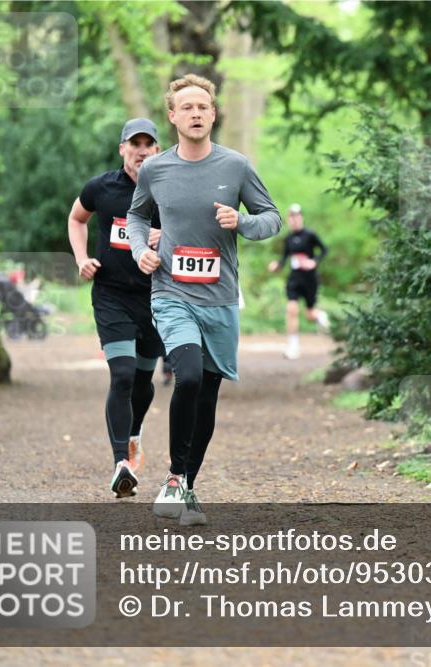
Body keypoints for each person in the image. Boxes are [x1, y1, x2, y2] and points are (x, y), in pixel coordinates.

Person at [127, 74, 281, 526]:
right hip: (171, 291)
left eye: (203, 106)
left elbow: (271, 218)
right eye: (186, 107)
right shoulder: (156, 169)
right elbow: (136, 216)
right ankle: (175, 478)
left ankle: (188, 486)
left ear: (213, 114)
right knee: (188, 376)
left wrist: (242, 222)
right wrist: (142, 251)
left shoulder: (235, 166)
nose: (195, 113)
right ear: (172, 116)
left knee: (208, 394)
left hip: (220, 298)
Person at [66, 118, 164, 499]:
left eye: (148, 144)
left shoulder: (169, 188)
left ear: (158, 150)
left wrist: (164, 235)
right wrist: (81, 258)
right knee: (122, 374)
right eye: (134, 144)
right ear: (122, 148)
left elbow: (197, 231)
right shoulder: (101, 187)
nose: (141, 151)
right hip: (112, 295)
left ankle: (134, 432)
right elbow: (77, 218)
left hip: (157, 297)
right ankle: (121, 463)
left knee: (143, 380)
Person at [266, 203, 330, 360]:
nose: (294, 220)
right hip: (294, 279)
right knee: (292, 309)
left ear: (301, 218)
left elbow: (324, 250)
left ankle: (320, 315)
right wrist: (277, 266)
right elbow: (284, 258)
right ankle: (293, 347)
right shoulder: (288, 238)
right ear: (288, 219)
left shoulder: (310, 235)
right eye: (291, 217)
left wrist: (314, 261)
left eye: (296, 216)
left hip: (310, 279)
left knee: (309, 314)